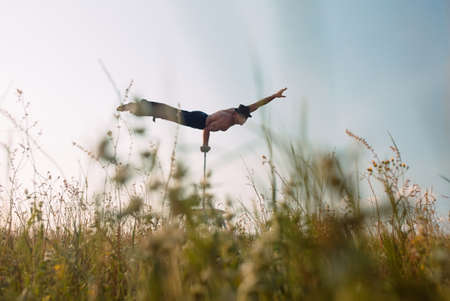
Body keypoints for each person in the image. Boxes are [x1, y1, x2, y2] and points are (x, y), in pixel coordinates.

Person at [117, 88, 287, 152]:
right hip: (198, 120)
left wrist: (274, 96)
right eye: (244, 119)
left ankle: (143, 108)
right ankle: (138, 108)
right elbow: (207, 129)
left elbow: (258, 104)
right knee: (168, 113)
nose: (245, 121)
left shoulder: (238, 111)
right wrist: (205, 145)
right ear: (237, 115)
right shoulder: (227, 120)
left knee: (169, 112)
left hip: (201, 116)